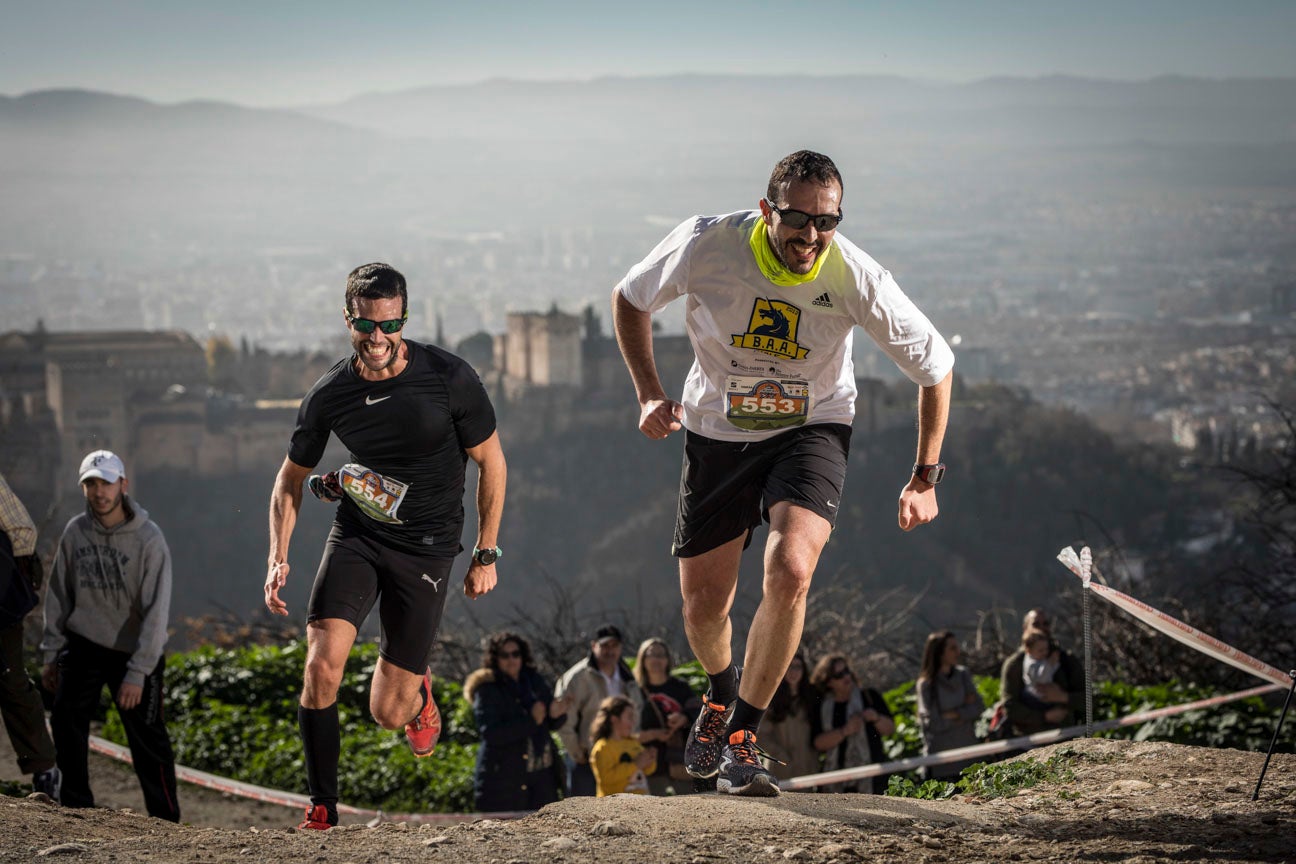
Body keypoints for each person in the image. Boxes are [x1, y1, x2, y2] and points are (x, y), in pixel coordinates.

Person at [611, 149, 954, 796]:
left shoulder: (856, 275)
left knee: (791, 569)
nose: (813, 236)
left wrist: (924, 476)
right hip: (717, 428)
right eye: (799, 220)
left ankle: (743, 732)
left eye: (828, 222)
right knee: (704, 606)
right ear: (769, 210)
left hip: (812, 427)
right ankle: (719, 693)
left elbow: (936, 368)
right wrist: (650, 394)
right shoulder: (707, 243)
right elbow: (629, 300)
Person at [263, 262, 507, 831]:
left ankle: (417, 693)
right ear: (348, 319)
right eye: (365, 326)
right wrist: (278, 554)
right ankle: (323, 805)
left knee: (386, 713)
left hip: (426, 548)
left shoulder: (449, 377)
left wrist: (485, 551)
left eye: (389, 325)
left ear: (404, 318)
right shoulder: (330, 393)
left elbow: (491, 461)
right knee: (321, 668)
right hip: (358, 533)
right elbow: (288, 478)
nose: (377, 339)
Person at [40, 451, 179, 821]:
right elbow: (58, 595)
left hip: (134, 649)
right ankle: (76, 809)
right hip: (84, 641)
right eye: (91, 484)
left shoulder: (149, 540)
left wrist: (138, 671)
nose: (99, 492)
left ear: (123, 485)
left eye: (105, 482)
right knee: (67, 722)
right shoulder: (75, 531)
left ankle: (166, 822)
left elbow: (157, 612)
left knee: (148, 740)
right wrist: (51, 653)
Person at [0, 470, 60, 799]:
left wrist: (13, 585)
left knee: (11, 681)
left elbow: (22, 530)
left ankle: (44, 770)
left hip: (2, 600)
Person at [463, 631, 565, 813]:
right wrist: (531, 720)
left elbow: (549, 723)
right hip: (504, 782)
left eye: (515, 654)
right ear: (495, 659)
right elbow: (491, 734)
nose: (511, 659)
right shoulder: (487, 689)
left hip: (542, 778)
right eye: (504, 655)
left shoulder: (534, 681)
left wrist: (557, 714)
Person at [553, 624, 644, 797]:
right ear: (593, 646)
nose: (610, 651)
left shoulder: (628, 677)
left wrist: (634, 744)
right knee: (584, 813)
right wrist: (575, 752)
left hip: (621, 755)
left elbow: (636, 710)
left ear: (621, 647)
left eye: (614, 645)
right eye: (605, 646)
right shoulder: (576, 677)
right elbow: (564, 718)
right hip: (585, 757)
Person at [810, 654, 895, 794]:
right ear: (828, 681)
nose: (846, 677)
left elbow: (890, 729)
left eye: (846, 671)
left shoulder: (869, 696)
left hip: (872, 778)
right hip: (836, 781)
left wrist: (876, 718)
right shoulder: (822, 706)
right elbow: (818, 743)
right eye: (839, 675)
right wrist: (845, 731)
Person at [998, 608, 1085, 735]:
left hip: (1065, 737)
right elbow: (1009, 707)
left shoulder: (1066, 659)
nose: (1042, 628)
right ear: (1025, 628)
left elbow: (1088, 699)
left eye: (1045, 624)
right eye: (1036, 624)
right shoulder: (1015, 664)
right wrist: (1044, 716)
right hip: (1028, 742)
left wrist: (1063, 697)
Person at [631, 637, 700, 795]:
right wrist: (653, 734)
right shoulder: (634, 691)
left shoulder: (680, 687)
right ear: (642, 659)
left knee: (688, 808)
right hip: (647, 762)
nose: (656, 659)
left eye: (661, 655)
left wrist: (684, 718)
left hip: (679, 761)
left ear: (668, 659)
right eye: (651, 655)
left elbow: (698, 711)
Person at [915, 630, 984, 780]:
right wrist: (964, 712)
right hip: (942, 765)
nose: (958, 652)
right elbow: (932, 723)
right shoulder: (926, 685)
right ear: (939, 652)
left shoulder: (963, 675)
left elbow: (978, 707)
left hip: (969, 758)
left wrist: (954, 714)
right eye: (952, 648)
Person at [759, 651, 819, 782]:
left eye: (798, 667)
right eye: (789, 666)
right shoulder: (772, 699)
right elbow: (760, 735)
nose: (793, 671)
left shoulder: (811, 698)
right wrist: (780, 754)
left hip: (807, 767)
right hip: (781, 769)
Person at [588, 695, 655, 797]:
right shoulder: (602, 748)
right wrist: (635, 765)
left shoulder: (633, 743)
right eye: (629, 717)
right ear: (614, 719)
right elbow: (606, 778)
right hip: (611, 806)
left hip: (640, 801)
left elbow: (647, 770)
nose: (633, 723)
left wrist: (650, 760)